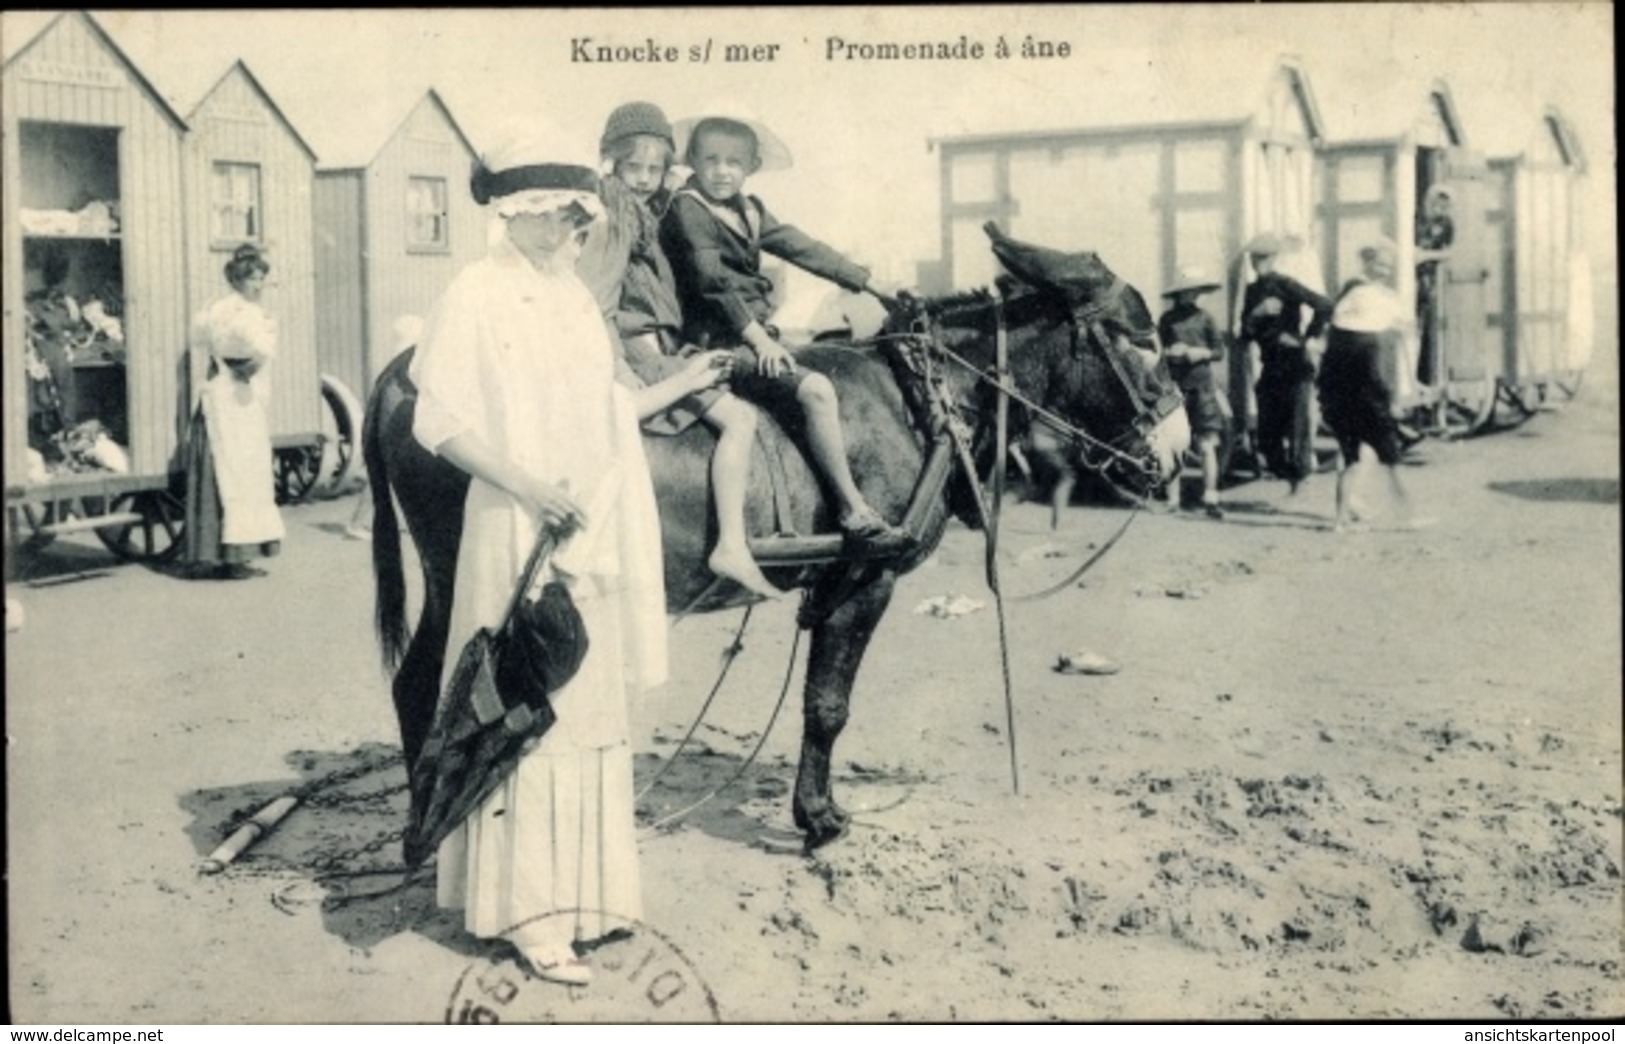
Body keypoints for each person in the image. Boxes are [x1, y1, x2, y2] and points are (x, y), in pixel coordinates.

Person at [409, 122, 731, 988]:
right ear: (511, 212)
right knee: (525, 710)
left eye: (574, 218)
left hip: (585, 526)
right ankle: (526, 916)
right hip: (515, 524)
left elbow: (603, 416)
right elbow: (434, 421)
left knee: (584, 709)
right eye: (548, 216)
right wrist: (525, 486)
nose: (562, 233)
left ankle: (585, 903)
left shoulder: (572, 303)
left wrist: (684, 383)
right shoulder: (474, 293)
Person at [659, 104, 909, 551]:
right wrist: (758, 340)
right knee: (817, 391)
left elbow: (801, 247)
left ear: (751, 168)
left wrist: (870, 283)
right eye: (711, 161)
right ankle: (852, 507)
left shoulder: (750, 211)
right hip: (713, 343)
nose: (721, 172)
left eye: (733, 163)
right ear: (691, 162)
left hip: (751, 336)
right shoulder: (688, 209)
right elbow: (712, 283)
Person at [588, 101, 778, 598]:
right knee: (739, 418)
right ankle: (732, 545)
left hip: (664, 345)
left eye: (656, 168)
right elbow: (598, 303)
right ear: (611, 161)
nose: (646, 178)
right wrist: (618, 369)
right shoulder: (613, 218)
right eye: (635, 167)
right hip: (639, 353)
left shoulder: (648, 210)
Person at [182, 244, 284, 579]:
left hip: (216, 392)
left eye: (261, 279)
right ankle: (232, 555)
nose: (259, 286)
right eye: (254, 279)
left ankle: (215, 552)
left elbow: (199, 340)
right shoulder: (248, 314)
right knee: (241, 470)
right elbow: (261, 349)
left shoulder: (213, 309)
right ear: (238, 281)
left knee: (223, 467)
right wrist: (251, 365)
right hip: (237, 396)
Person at [1317, 238, 1428, 532]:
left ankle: (1341, 520)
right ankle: (1409, 514)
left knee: (1351, 461)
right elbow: (1374, 379)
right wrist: (1391, 399)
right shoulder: (1368, 331)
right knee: (1391, 461)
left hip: (1341, 401)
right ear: (1368, 264)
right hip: (1368, 404)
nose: (1384, 270)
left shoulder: (1347, 317)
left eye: (1387, 266)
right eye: (1380, 264)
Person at [1239, 233, 1333, 495]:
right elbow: (1245, 334)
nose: (1259, 263)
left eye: (1264, 257)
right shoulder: (1252, 291)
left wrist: (1305, 338)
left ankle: (1298, 480)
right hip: (1270, 366)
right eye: (1255, 258)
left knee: (1298, 427)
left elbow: (1324, 305)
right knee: (1268, 435)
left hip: (1295, 365)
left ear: (1275, 258)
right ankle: (1286, 473)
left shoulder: (1286, 284)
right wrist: (1257, 313)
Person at [1158, 268, 1228, 519]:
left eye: (1196, 291)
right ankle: (1173, 500)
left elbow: (1219, 351)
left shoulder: (1206, 318)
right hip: (1175, 388)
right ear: (1179, 293)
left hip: (1202, 388)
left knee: (1207, 444)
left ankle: (1211, 498)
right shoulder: (1167, 320)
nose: (1192, 295)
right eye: (1188, 291)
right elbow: (1156, 353)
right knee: (1172, 445)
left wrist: (1201, 353)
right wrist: (1169, 353)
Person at [1414, 184, 1455, 388]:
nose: (1439, 210)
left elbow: (1448, 252)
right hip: (1407, 275)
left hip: (1426, 278)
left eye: (1443, 206)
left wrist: (1425, 256)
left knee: (1420, 325)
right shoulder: (1414, 219)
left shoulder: (1446, 224)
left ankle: (1417, 376)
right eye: (1435, 204)